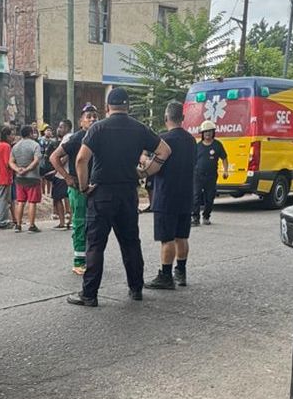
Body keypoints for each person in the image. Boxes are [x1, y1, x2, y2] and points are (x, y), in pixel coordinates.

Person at [67, 88, 172, 307]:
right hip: (127, 192)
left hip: (101, 192)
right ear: (128, 107)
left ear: (107, 107)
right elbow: (164, 151)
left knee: (95, 245)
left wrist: (84, 186)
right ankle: (136, 288)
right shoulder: (139, 128)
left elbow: (80, 160)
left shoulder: (97, 128)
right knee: (131, 242)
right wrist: (145, 172)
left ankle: (89, 295)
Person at [144, 101, 197, 290]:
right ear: (182, 118)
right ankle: (181, 272)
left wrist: (144, 160)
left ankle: (166, 275)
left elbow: (154, 165)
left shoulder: (163, 139)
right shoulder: (191, 140)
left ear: (166, 118)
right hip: (186, 195)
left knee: (167, 238)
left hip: (166, 195)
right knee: (182, 236)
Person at [51, 106, 99, 274]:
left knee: (93, 225)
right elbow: (54, 157)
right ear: (81, 121)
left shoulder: (100, 137)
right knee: (80, 223)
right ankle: (79, 262)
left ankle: (91, 259)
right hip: (78, 189)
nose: (92, 119)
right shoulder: (76, 138)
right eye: (88, 116)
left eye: (94, 116)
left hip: (95, 188)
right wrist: (67, 177)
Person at [192, 121, 227, 226]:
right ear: (202, 133)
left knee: (209, 197)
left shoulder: (217, 145)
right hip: (198, 175)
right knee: (196, 196)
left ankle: (206, 216)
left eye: (210, 131)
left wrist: (225, 171)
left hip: (211, 176)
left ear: (213, 132)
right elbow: (192, 160)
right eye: (205, 132)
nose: (207, 134)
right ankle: (195, 218)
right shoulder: (197, 146)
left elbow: (224, 158)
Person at [10, 125, 43, 232]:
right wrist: (27, 169)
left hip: (19, 178)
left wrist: (17, 169)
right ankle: (32, 225)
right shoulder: (35, 145)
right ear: (30, 133)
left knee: (20, 202)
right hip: (33, 178)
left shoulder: (15, 146)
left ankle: (18, 225)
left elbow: (10, 161)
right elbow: (36, 160)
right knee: (32, 202)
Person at [48, 120, 72, 229]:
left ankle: (66, 221)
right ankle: (66, 221)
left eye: (61, 127)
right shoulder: (68, 138)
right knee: (64, 197)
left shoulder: (67, 138)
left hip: (62, 174)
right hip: (63, 173)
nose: (59, 129)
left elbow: (65, 156)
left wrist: (57, 167)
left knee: (60, 197)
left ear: (67, 128)